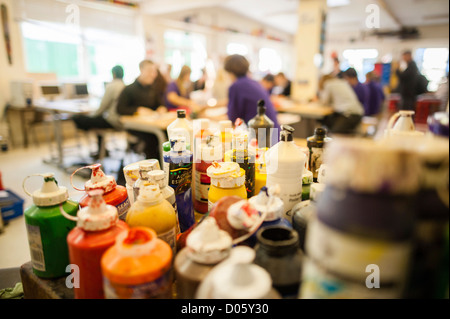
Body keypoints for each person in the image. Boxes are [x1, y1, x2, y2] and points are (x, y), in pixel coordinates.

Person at [116, 60, 167, 160]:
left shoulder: (152, 89)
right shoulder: (129, 89)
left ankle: (168, 165)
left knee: (167, 133)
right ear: (141, 70)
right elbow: (120, 109)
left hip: (153, 124)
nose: (153, 74)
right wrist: (137, 110)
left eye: (154, 71)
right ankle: (155, 168)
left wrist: (162, 108)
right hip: (136, 126)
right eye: (150, 71)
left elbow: (160, 105)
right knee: (153, 138)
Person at [224, 54, 280, 143]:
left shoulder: (236, 86)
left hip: (262, 139)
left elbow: (233, 118)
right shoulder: (254, 83)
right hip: (274, 135)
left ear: (229, 71)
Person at [72, 65, 125, 158]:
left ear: (114, 74)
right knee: (98, 120)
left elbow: (103, 106)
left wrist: (93, 116)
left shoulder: (112, 86)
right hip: (121, 121)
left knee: (77, 118)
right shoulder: (124, 86)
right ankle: (102, 150)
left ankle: (98, 151)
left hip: (112, 121)